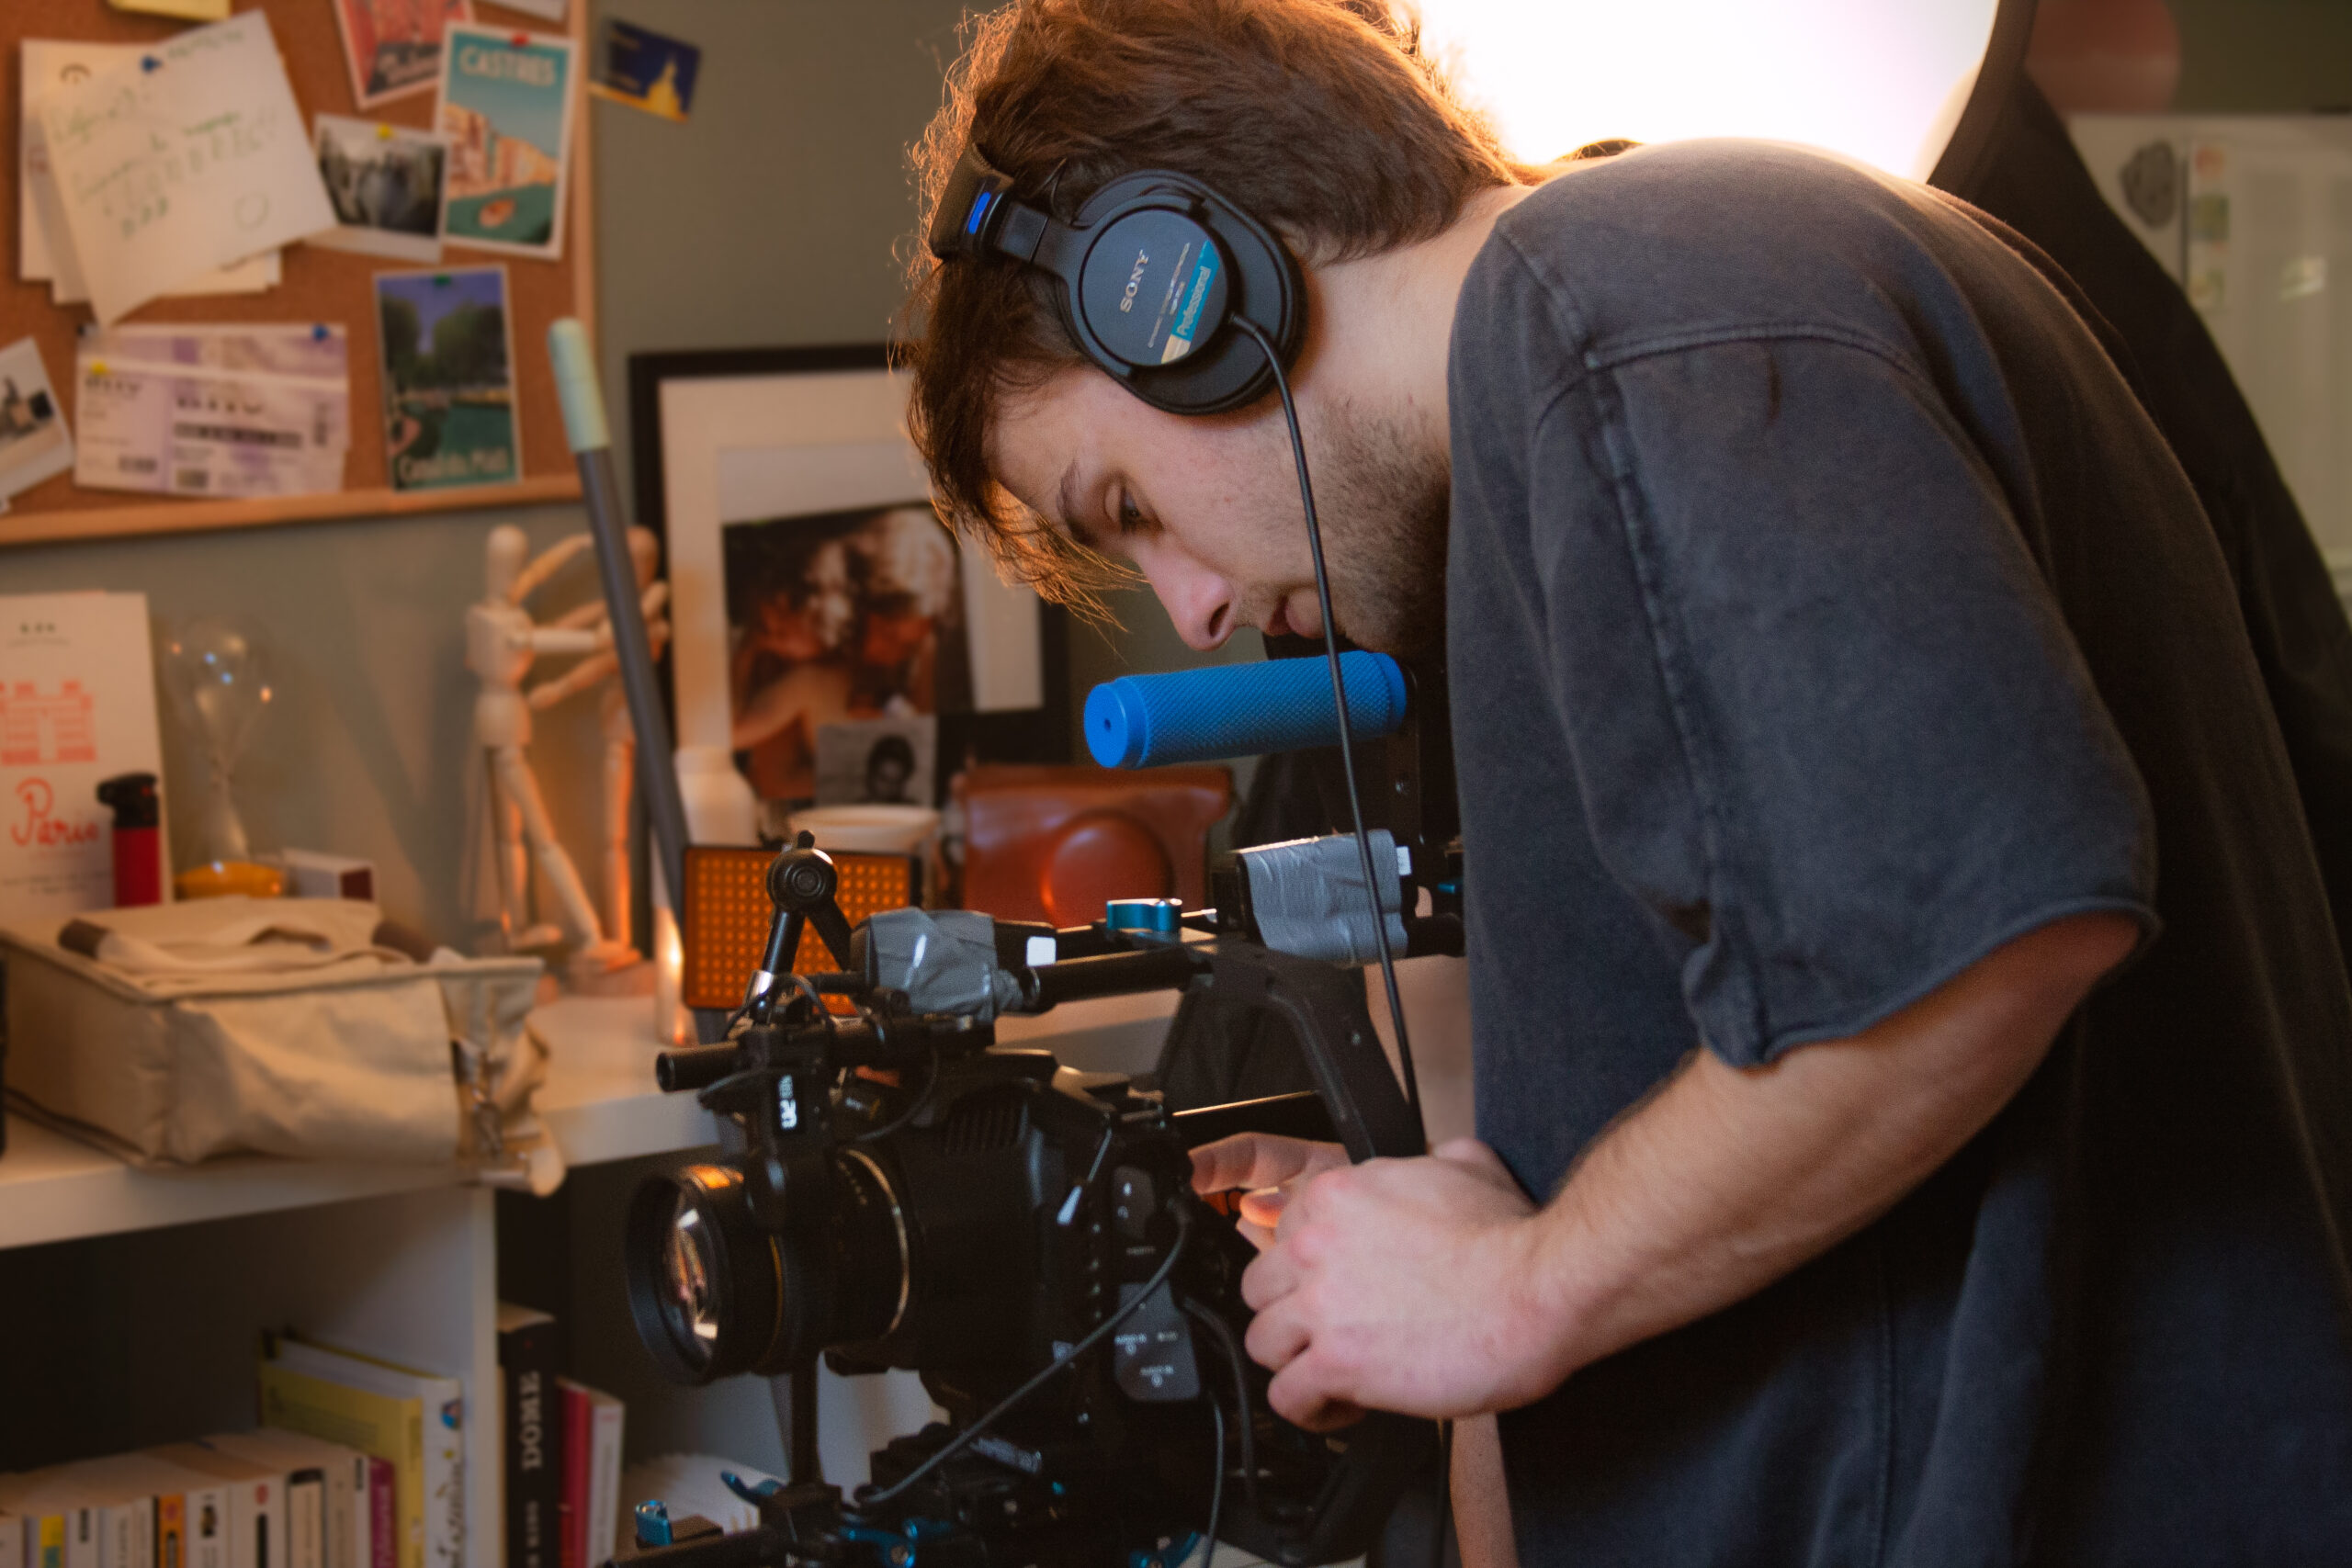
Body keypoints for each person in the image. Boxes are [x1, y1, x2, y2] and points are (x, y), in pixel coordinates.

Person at [901, 4, 2352, 1565]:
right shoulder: (1588, 401)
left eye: (1128, 505)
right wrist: (1448, 1228)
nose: (1188, 610)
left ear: (1183, 295)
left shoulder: (1623, 293)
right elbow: (1804, 1043)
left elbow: (1972, 935)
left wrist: (1517, 1289)